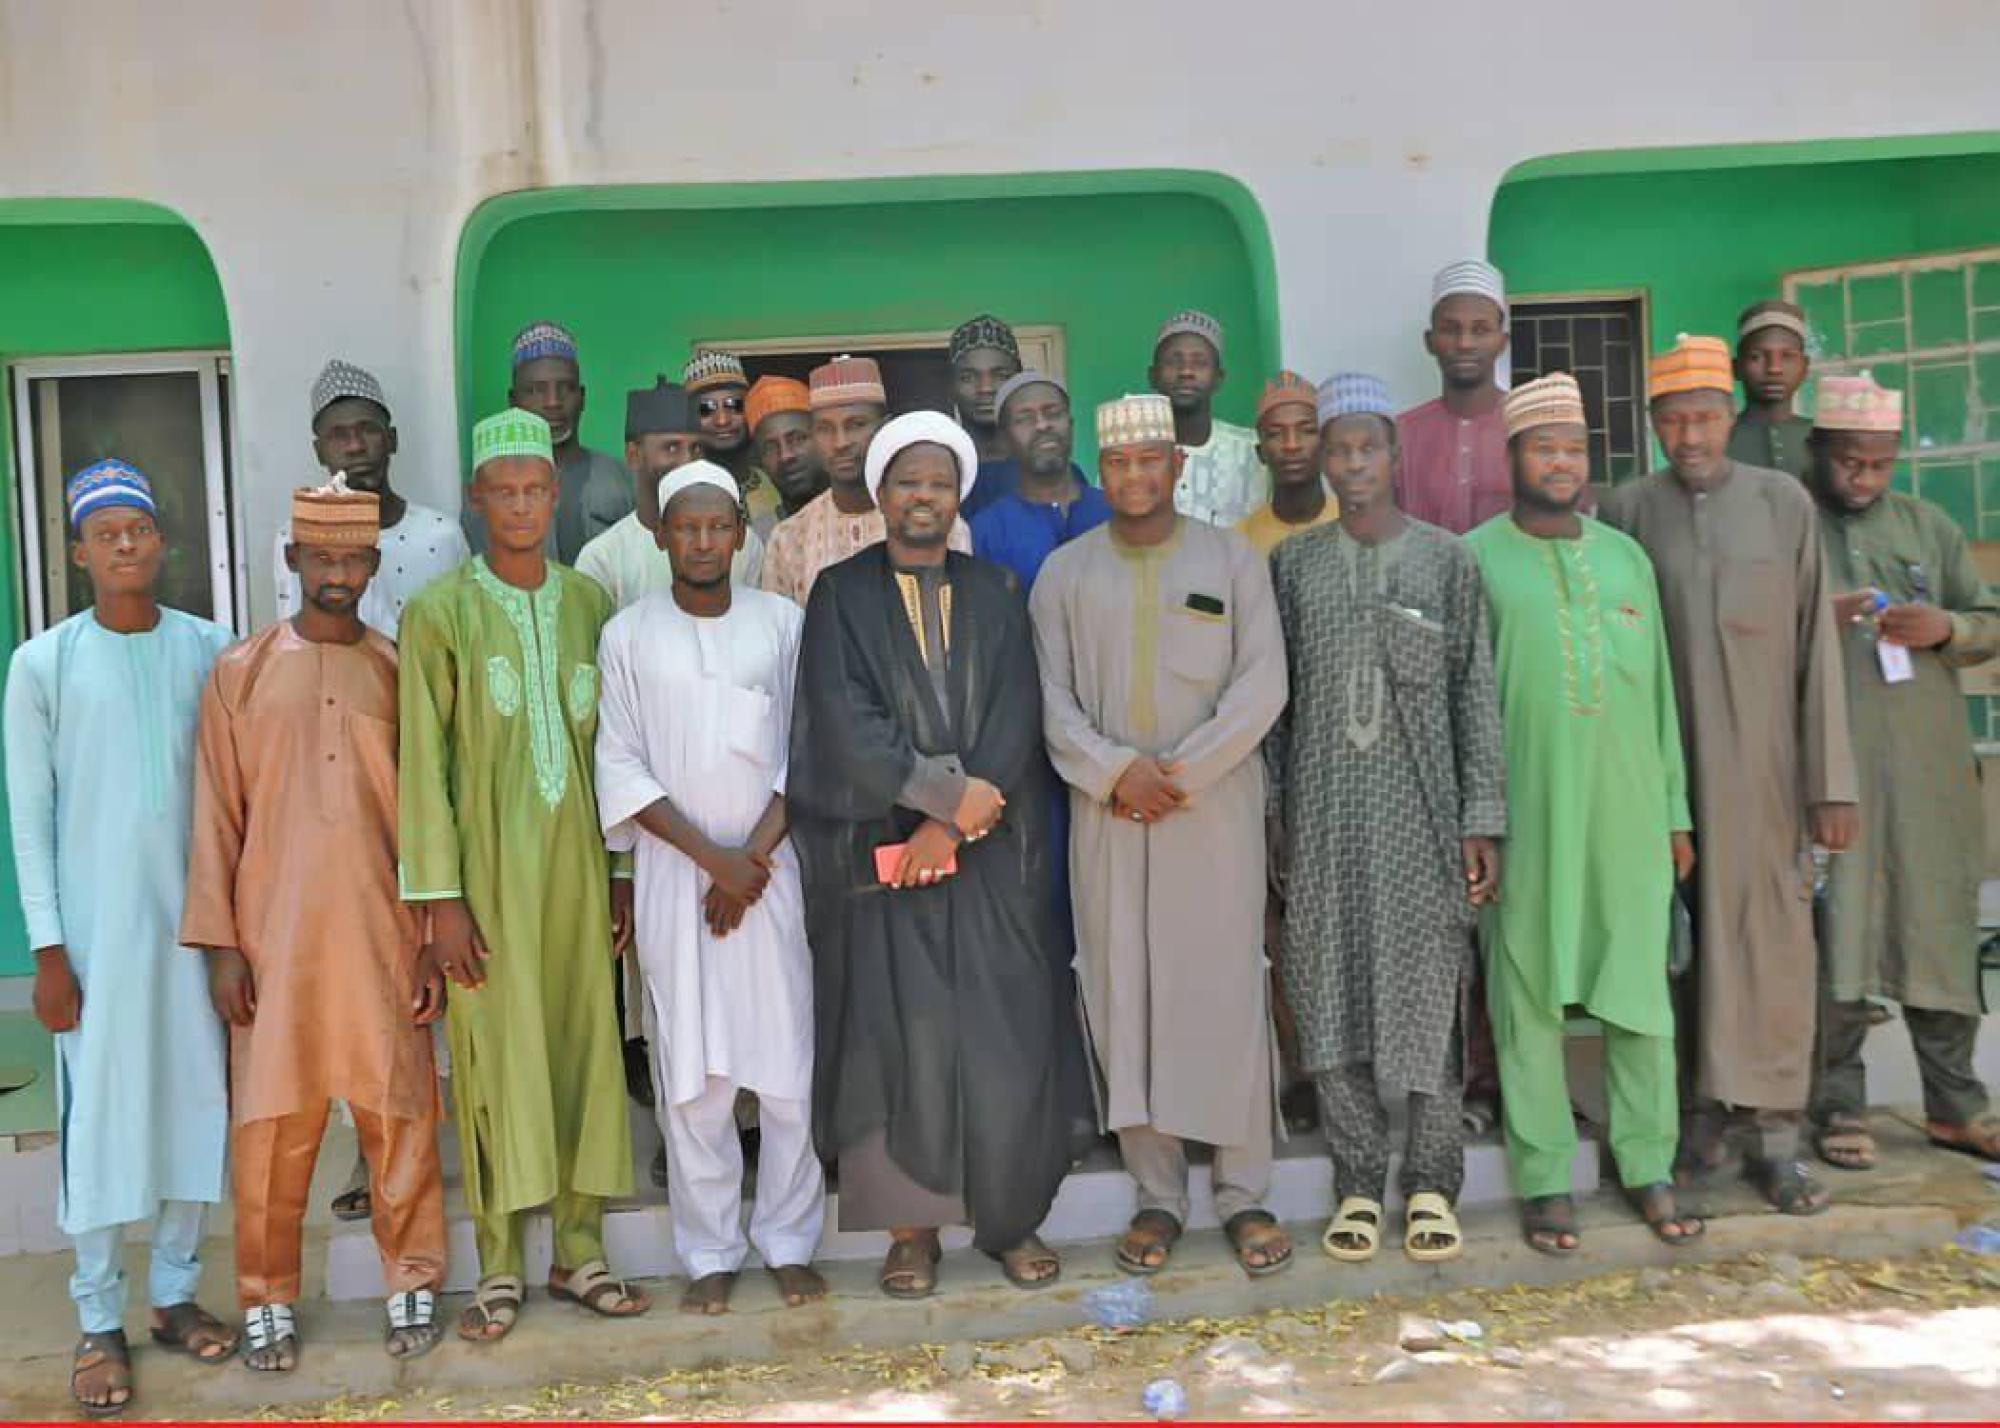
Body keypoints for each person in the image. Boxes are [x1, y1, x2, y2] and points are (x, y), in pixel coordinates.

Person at [788, 411, 1070, 1299]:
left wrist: (952, 823)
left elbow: (1015, 715)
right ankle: (911, 1232)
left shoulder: (994, 590)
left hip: (983, 858)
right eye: (907, 482)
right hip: (883, 856)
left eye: (939, 483)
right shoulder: (839, 593)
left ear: (957, 497)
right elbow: (845, 721)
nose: (923, 497)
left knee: (1000, 1036)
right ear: (880, 495)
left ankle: (1009, 1220)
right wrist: (932, 804)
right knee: (894, 1041)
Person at [183, 477, 448, 1369]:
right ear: (292, 559)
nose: (339, 573)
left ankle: (412, 1276)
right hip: (272, 935)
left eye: (354, 558)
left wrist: (427, 935)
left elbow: (426, 815)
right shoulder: (239, 672)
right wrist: (222, 946)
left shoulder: (397, 667)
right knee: (271, 1124)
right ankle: (265, 1297)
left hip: (381, 931)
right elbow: (217, 818)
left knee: (400, 1110)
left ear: (374, 565)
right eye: (322, 557)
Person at [400, 408, 650, 1342]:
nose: (518, 504)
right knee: (497, 1059)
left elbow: (617, 750)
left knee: (585, 1043)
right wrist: (441, 904)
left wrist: (622, 872)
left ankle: (579, 1248)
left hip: (584, 871)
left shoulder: (591, 606)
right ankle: (499, 1263)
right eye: (500, 491)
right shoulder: (440, 614)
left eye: (532, 489)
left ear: (556, 496)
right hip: (487, 881)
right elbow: (423, 764)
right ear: (477, 500)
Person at [1031, 393, 1292, 1280]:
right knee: (1124, 990)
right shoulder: (1064, 575)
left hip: (1209, 814)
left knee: (1222, 985)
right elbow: (1051, 704)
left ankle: (1244, 1194)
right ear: (1099, 473)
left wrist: (1177, 774)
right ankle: (1158, 1196)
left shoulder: (1232, 559)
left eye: (1150, 461)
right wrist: (1115, 773)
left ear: (1176, 467)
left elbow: (1262, 688)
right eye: (1118, 464)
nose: (1135, 476)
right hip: (1108, 819)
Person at [1598, 335, 1858, 1216]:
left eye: (1705, 416)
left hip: (1768, 773)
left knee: (1772, 951)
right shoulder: (1629, 509)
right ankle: (1696, 1119)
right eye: (1672, 419)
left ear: (1729, 417)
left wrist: (1830, 785)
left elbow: (1816, 653)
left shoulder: (1783, 504)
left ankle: (1777, 1138)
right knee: (1675, 952)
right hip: (1659, 777)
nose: (1690, 434)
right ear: (1654, 425)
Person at [5, 460, 238, 1416]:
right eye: (107, 535)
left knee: (195, 1102)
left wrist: (233, 933)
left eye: (139, 528)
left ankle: (174, 1294)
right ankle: (97, 1316)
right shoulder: (43, 663)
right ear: (79, 554)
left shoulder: (211, 650)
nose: (127, 545)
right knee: (98, 1121)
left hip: (194, 932)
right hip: (95, 942)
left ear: (164, 541)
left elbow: (233, 801)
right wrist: (48, 952)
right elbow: (30, 815)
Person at [1264, 373, 1502, 1267]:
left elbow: (1474, 693)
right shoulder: (1294, 567)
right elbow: (1278, 708)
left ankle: (1433, 1183)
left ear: (1395, 457)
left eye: (1368, 447)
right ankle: (1359, 1182)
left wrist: (1483, 818)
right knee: (1328, 993)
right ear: (1319, 461)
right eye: (1338, 449)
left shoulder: (1448, 561)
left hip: (1425, 819)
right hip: (1324, 820)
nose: (1353, 464)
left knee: (1431, 993)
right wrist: (1276, 811)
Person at [1466, 374, 1703, 1255]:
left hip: (1632, 814)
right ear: (1513, 457)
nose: (1560, 461)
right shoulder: (1476, 556)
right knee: (1524, 989)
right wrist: (1476, 821)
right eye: (1542, 447)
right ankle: (1542, 1178)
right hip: (1526, 815)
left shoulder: (1624, 558)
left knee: (1640, 992)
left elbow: (1663, 702)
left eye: (1572, 447)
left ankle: (1648, 1163)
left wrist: (1675, 811)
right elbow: (1463, 702)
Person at [595, 464, 826, 1316]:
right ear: (659, 534)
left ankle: (790, 1242)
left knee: (789, 1069)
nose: (701, 542)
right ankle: (709, 1251)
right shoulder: (627, 635)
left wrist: (750, 861)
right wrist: (713, 862)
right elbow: (618, 763)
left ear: (740, 532)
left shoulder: (784, 624)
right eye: (684, 527)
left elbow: (809, 748)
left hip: (773, 875)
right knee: (690, 1077)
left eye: (717, 526)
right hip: (675, 881)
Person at [1805, 374, 2000, 1167]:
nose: (1864, 477)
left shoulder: (1929, 526)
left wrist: (1944, 625)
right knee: (1838, 941)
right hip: (1834, 775)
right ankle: (1840, 1110)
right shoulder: (1793, 526)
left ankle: (1957, 1106)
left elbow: (1987, 623)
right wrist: (1822, 617)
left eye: (1879, 464)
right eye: (1850, 461)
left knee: (1937, 938)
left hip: (1926, 780)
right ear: (1820, 452)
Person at [273, 360, 469, 638]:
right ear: (319, 452)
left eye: (368, 430)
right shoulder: (298, 538)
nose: (355, 447)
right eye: (338, 436)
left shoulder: (442, 535)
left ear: (392, 440)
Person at [759, 355, 969, 606]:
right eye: (826, 428)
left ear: (884, 427)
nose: (841, 443)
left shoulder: (940, 524)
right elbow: (783, 638)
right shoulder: (789, 538)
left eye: (855, 425)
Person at [576, 379, 763, 606]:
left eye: (696, 448)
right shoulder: (602, 558)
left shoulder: (744, 546)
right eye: (672, 448)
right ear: (634, 454)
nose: (687, 461)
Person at [475, 320, 633, 563]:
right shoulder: (487, 490)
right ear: (513, 401)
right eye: (536, 390)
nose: (553, 402)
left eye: (566, 389)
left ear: (582, 398)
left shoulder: (621, 480)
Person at [1396, 260, 1512, 534]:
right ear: (1429, 341)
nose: (1465, 343)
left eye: (1480, 330)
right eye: (1450, 329)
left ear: (1502, 343)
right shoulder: (1400, 434)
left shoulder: (1529, 427)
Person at [969, 370, 1110, 588]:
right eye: (1024, 419)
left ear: (1071, 425)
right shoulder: (987, 530)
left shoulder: (1113, 510)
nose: (1043, 425)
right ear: (1005, 439)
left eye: (1053, 413)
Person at [1148, 309, 1265, 528]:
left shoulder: (1253, 451)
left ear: (1218, 378)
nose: (1186, 372)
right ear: (1153, 376)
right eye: (1173, 361)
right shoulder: (1128, 455)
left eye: (1199, 362)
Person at [1237, 370, 1337, 555]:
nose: (1291, 445)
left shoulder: (1357, 529)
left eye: (1306, 430)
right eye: (1275, 434)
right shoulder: (1239, 543)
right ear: (1260, 453)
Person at [684, 350, 780, 531]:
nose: (722, 420)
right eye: (706, 409)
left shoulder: (775, 484)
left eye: (734, 405)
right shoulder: (680, 491)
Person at [1727, 300, 1813, 479]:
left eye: (1787, 357)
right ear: (1736, 368)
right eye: (1756, 357)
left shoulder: (1826, 440)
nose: (1774, 368)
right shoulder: (1716, 440)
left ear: (1805, 368)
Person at [949, 314, 1024, 516]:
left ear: (1019, 380)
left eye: (1000, 375)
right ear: (951, 385)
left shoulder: (1050, 470)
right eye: (968, 377)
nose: (986, 388)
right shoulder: (940, 472)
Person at [745, 375, 826, 536]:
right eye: (770, 447)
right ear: (759, 460)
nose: (785, 455)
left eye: (797, 439)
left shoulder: (873, 519)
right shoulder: (759, 538)